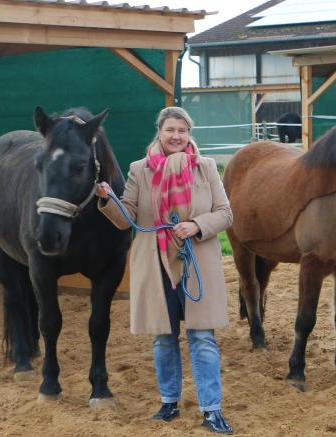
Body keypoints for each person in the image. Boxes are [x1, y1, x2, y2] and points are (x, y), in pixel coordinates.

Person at [95, 107, 235, 434]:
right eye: (170, 129)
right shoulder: (139, 170)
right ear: (159, 131)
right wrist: (108, 199)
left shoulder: (206, 168)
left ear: (189, 134)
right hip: (156, 263)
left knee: (202, 337)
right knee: (163, 337)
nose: (176, 136)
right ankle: (169, 402)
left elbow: (225, 214)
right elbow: (125, 215)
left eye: (182, 131)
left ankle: (212, 410)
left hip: (195, 260)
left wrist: (196, 225)